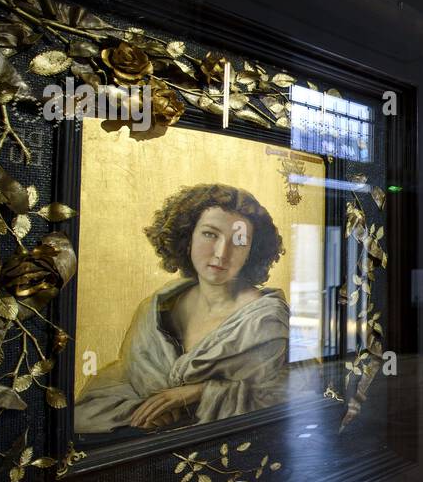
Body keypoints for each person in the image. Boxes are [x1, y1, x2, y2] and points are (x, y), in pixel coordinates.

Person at [74, 184, 290, 434]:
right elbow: (121, 382)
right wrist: (147, 411)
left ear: (252, 251)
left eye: (239, 240)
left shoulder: (266, 319)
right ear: (187, 238)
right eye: (210, 234)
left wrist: (198, 393)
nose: (221, 253)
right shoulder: (158, 307)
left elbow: (279, 395)